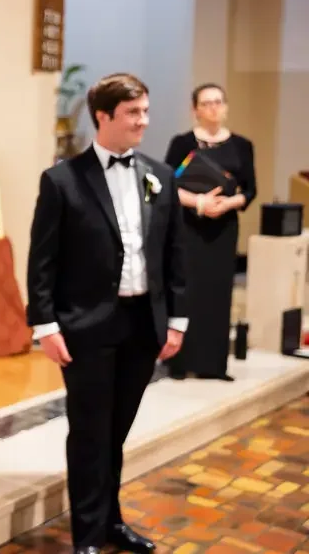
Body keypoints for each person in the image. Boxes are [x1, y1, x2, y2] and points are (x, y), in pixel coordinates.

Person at [26, 73, 188, 554]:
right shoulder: (62, 180)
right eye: (133, 112)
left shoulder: (158, 175)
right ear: (104, 116)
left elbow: (174, 253)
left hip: (144, 325)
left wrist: (177, 320)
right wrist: (46, 325)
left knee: (116, 433)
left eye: (145, 111)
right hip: (87, 327)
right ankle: (88, 537)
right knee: (90, 435)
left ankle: (112, 521)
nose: (144, 121)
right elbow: (42, 260)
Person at [163, 83, 256, 381]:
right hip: (189, 227)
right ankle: (180, 362)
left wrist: (228, 203)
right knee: (188, 291)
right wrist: (199, 203)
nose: (214, 108)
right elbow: (167, 186)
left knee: (217, 293)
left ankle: (214, 365)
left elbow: (251, 190)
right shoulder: (182, 143)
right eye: (207, 103)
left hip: (223, 229)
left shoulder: (242, 145)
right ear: (195, 110)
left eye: (218, 102)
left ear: (226, 106)